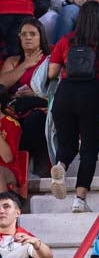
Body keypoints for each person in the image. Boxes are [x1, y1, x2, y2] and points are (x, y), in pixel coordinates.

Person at [46, 1, 99, 212]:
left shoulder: (66, 40)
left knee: (68, 144)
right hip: (93, 94)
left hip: (65, 94)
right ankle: (79, 200)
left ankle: (61, 166)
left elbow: (51, 73)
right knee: (89, 149)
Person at [0, 19, 50, 175]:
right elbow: (1, 85)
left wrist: (36, 94)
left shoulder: (50, 60)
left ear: (41, 37)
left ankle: (30, 168)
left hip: (41, 109)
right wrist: (25, 65)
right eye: (24, 34)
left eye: (32, 34)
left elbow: (57, 89)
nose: (28, 37)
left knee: (36, 119)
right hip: (14, 110)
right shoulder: (13, 61)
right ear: (19, 38)